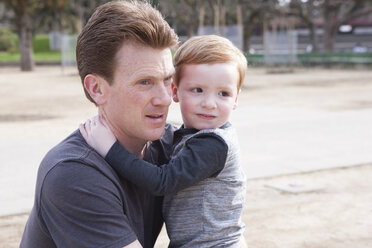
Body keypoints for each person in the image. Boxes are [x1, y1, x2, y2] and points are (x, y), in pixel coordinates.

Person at [20, 1, 178, 247]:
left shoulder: (175, 146)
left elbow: (227, 231)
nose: (166, 98)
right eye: (145, 82)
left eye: (167, 79)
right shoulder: (72, 173)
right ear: (96, 89)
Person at [80, 35, 248, 247]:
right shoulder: (192, 135)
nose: (209, 104)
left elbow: (162, 181)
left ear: (236, 99)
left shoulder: (214, 144)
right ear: (175, 92)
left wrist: (110, 149)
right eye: (198, 90)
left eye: (223, 93)